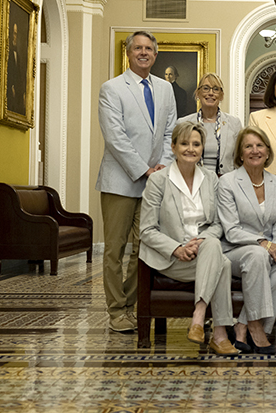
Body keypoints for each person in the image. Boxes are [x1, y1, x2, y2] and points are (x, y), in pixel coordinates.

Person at [96, 30, 177, 332]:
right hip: (120, 181)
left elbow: (171, 134)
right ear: (128, 53)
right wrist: (144, 170)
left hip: (154, 183)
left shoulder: (165, 90)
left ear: (156, 55)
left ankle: (132, 304)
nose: (143, 53)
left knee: (145, 247)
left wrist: (162, 169)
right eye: (137, 48)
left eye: (149, 49)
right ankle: (116, 311)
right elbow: (115, 138)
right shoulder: (112, 88)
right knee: (115, 249)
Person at [138, 122, 238, 355]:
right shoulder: (158, 180)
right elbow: (146, 230)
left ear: (202, 148)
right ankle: (219, 334)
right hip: (170, 259)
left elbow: (217, 224)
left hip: (203, 251)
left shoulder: (211, 178)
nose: (190, 149)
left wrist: (201, 241)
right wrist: (177, 249)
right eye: (184, 143)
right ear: (173, 147)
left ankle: (199, 317)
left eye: (196, 144)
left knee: (213, 246)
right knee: (222, 264)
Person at [217, 126, 276, 355]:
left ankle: (242, 324)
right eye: (248, 146)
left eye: (259, 145)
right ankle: (257, 327)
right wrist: (264, 243)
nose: (255, 150)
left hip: (268, 250)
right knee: (257, 254)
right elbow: (231, 230)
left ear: (267, 151)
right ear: (240, 153)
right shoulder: (228, 182)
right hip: (235, 251)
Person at [178, 73, 242, 176]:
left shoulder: (234, 124)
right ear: (198, 93)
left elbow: (240, 159)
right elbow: (177, 158)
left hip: (225, 183)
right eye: (206, 88)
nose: (211, 93)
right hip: (192, 182)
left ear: (221, 96)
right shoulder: (183, 123)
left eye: (216, 89)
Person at [7, 22, 27, 115]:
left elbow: (18, 76)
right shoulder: (7, 53)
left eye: (16, 34)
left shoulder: (16, 55)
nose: (15, 37)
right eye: (14, 33)